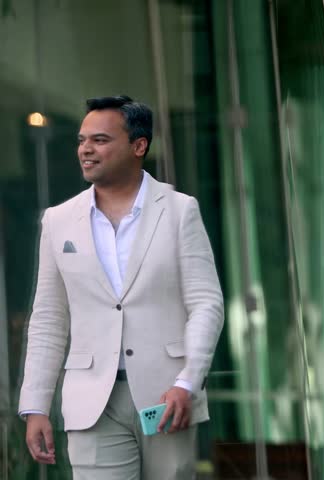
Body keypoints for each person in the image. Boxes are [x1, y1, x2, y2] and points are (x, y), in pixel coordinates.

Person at [18, 95, 224, 479]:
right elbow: (48, 318)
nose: (86, 150)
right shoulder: (59, 220)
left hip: (167, 398)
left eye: (100, 140)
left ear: (138, 146)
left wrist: (188, 382)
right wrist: (35, 405)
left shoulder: (180, 211)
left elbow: (206, 304)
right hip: (91, 401)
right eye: (82, 140)